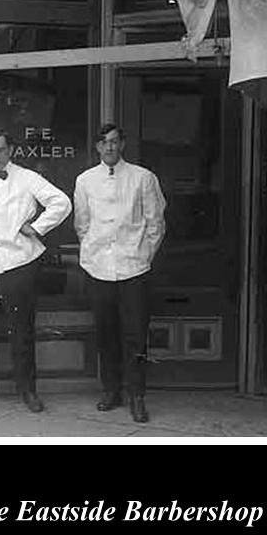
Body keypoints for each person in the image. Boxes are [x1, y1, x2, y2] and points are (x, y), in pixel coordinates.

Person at [0, 127, 72, 413]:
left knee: (21, 330)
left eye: (1, 150)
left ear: (11, 151)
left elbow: (62, 202)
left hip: (19, 263)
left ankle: (28, 391)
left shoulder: (27, 178)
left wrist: (36, 228)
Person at [73, 123, 167, 423]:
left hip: (133, 269)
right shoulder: (85, 180)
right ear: (97, 148)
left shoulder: (142, 178)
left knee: (135, 335)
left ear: (122, 144)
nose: (109, 147)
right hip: (99, 268)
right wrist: (94, 252)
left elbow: (156, 224)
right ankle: (111, 390)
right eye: (104, 143)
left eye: (114, 142)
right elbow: (82, 224)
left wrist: (142, 255)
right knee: (106, 332)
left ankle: (137, 395)